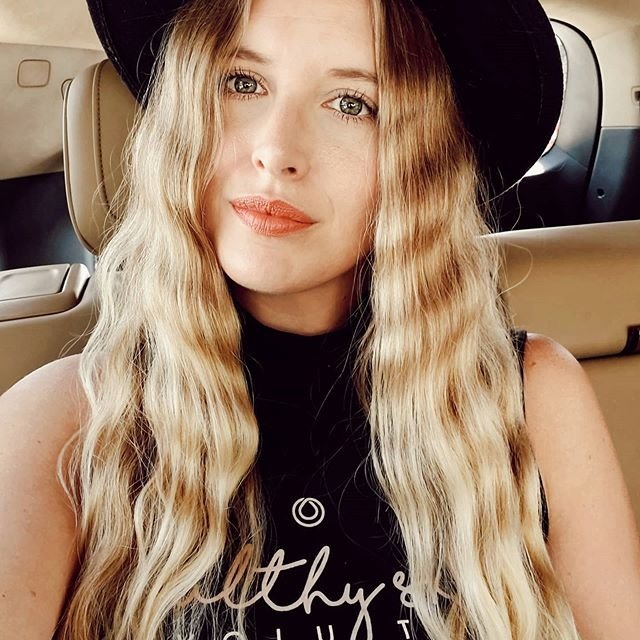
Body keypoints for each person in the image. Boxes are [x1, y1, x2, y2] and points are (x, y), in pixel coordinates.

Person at [1, 0, 639, 638]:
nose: (277, 151)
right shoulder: (61, 423)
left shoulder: (530, 397)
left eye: (353, 104)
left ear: (424, 165)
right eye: (241, 82)